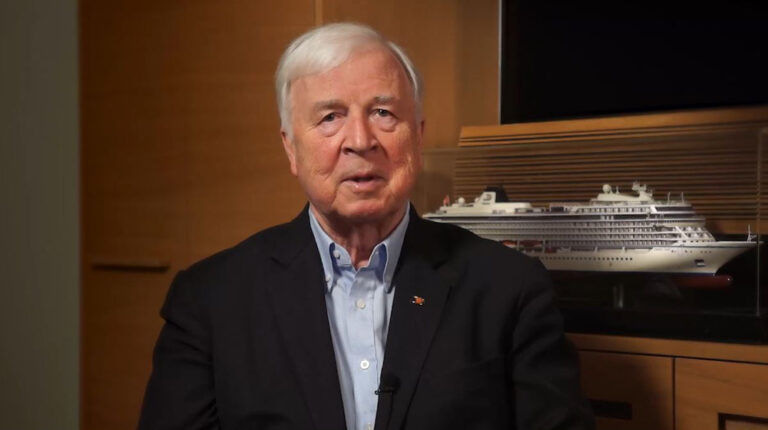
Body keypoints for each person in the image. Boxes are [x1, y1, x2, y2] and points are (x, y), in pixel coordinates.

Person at [138, 22, 594, 430]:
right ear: (291, 148)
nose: (360, 141)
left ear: (417, 136)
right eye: (330, 117)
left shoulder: (510, 289)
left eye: (383, 113)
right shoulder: (209, 301)